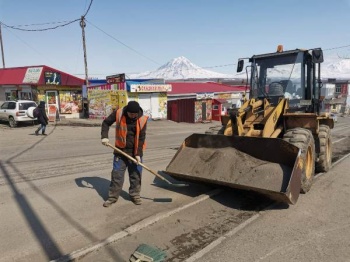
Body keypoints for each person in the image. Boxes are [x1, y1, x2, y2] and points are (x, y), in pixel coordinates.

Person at [101, 101, 148, 207]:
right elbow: (106, 123)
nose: (133, 116)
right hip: (120, 151)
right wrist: (104, 136)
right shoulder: (119, 113)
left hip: (135, 151)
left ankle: (135, 195)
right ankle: (112, 197)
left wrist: (137, 153)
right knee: (117, 175)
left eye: (135, 114)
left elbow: (141, 138)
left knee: (136, 175)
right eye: (131, 114)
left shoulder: (142, 119)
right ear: (127, 111)